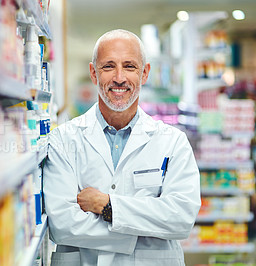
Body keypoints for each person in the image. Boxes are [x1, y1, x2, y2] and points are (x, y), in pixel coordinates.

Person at [43, 29, 201, 266]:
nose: (119, 77)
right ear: (93, 73)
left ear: (145, 73)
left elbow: (181, 218)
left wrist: (106, 206)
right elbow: (63, 225)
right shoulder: (63, 140)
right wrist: (143, 229)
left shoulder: (173, 142)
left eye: (129, 66)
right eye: (108, 67)